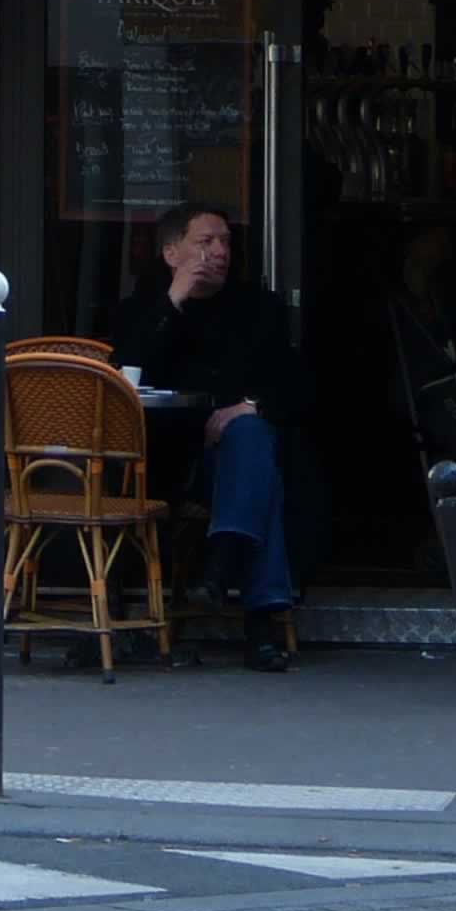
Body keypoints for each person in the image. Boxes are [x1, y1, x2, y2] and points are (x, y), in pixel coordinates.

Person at [108, 203, 308, 672]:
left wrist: (250, 405)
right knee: (262, 482)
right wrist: (174, 300)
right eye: (205, 242)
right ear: (171, 253)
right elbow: (124, 375)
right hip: (162, 456)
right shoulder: (142, 308)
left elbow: (295, 384)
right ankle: (259, 621)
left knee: (251, 437)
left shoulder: (258, 307)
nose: (220, 251)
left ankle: (224, 560)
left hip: (231, 456)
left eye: (225, 242)